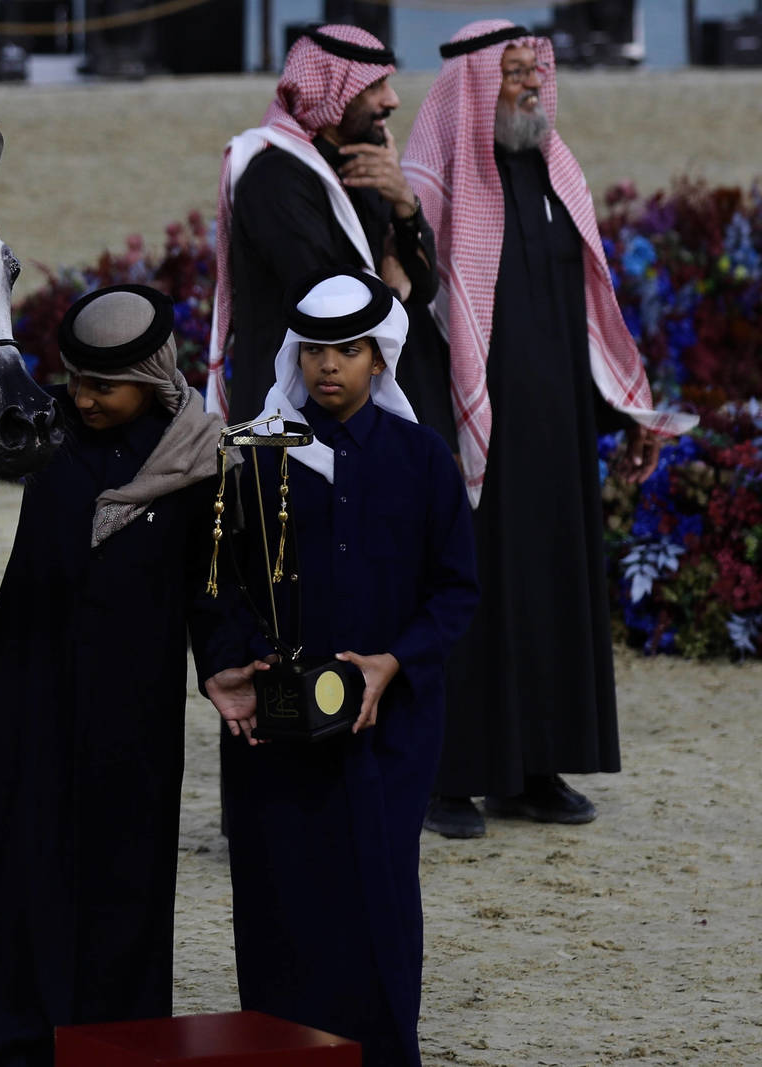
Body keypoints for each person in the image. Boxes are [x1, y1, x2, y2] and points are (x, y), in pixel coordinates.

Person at [402, 21, 698, 839]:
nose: (533, 85)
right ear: (473, 86)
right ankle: (452, 778)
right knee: (475, 595)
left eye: (538, 71)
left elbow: (585, 313)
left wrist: (620, 409)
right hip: (467, 437)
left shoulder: (555, 173)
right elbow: (408, 316)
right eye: (515, 73)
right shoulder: (438, 182)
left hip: (553, 434)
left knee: (546, 592)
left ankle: (534, 770)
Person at [0, 284, 247, 1066]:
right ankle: (12, 1046)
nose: (82, 399)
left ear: (151, 377)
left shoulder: (195, 455)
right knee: (17, 872)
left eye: (103, 387)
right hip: (28, 691)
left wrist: (220, 666)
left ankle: (116, 1044)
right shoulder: (40, 423)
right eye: (76, 379)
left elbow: (210, 585)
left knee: (125, 880)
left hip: (133, 708)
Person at [214, 270, 478, 1066]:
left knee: (377, 898)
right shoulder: (255, 457)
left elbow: (457, 590)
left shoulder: (424, 460)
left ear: (380, 358)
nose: (330, 366)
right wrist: (234, 663)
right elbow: (217, 581)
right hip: (276, 729)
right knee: (281, 897)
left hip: (388, 733)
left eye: (350, 349)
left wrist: (394, 663)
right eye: (317, 350)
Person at [208, 23, 445, 432]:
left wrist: (406, 203)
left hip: (353, 405)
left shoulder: (364, 168)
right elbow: (329, 301)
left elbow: (423, 287)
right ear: (333, 93)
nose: (392, 100)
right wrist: (390, 288)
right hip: (286, 413)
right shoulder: (276, 177)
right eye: (376, 86)